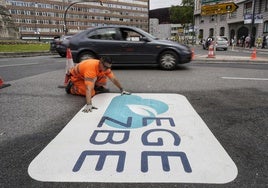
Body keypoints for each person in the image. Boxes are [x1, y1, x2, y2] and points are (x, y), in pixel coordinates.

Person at [65, 57, 131, 112]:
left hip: (85, 74)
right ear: (100, 62)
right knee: (91, 93)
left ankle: (96, 87)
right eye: (105, 67)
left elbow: (113, 79)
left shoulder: (104, 67)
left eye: (108, 67)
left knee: (103, 76)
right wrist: (89, 104)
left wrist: (122, 89)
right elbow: (88, 88)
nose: (106, 69)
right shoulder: (91, 69)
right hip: (77, 78)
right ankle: (71, 88)